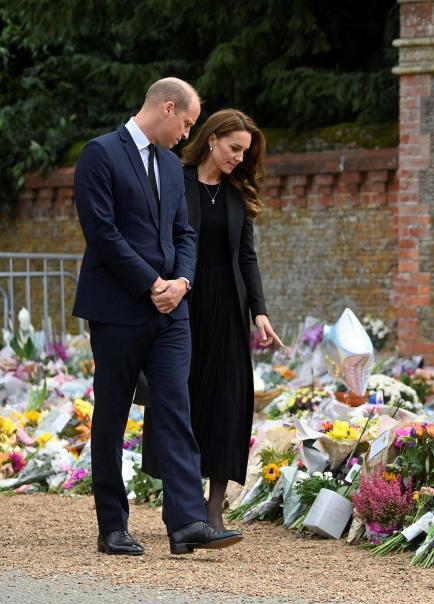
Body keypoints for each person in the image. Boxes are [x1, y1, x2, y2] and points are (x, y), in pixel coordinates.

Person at [73, 78, 242, 555]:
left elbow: (185, 234)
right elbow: (102, 234)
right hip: (117, 309)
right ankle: (113, 526)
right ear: (168, 109)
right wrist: (151, 284)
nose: (187, 134)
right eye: (187, 123)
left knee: (175, 409)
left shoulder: (170, 165)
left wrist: (182, 284)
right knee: (111, 414)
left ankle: (187, 522)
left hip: (172, 311)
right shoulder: (100, 154)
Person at [142, 109, 283, 531]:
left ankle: (214, 509)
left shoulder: (238, 193)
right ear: (211, 139)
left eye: (245, 151)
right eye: (234, 148)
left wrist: (259, 310)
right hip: (181, 306)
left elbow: (247, 255)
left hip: (229, 311)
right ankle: (179, 506)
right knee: (179, 400)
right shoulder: (174, 179)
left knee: (227, 403)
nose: (239, 158)